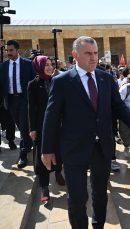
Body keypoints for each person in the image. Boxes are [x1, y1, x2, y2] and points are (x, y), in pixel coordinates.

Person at [41, 36, 130, 229]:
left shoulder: (106, 78)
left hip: (102, 147)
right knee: (77, 198)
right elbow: (51, 117)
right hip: (74, 149)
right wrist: (47, 149)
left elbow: (117, 105)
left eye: (95, 53)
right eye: (88, 54)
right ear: (75, 55)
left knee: (100, 194)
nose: (93, 58)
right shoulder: (62, 82)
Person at [27, 55, 65, 202]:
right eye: (46, 65)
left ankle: (58, 172)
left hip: (58, 125)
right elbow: (31, 108)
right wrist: (32, 128)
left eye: (51, 64)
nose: (49, 67)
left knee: (58, 151)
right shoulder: (33, 84)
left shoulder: (58, 81)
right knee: (42, 155)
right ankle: (44, 187)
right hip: (41, 126)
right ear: (38, 67)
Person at [0, 40, 35, 168]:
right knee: (21, 127)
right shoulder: (3, 66)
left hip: (24, 100)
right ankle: (28, 142)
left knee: (24, 127)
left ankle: (23, 155)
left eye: (10, 50)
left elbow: (34, 82)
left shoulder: (28, 64)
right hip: (10, 101)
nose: (8, 53)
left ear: (17, 50)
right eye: (6, 50)